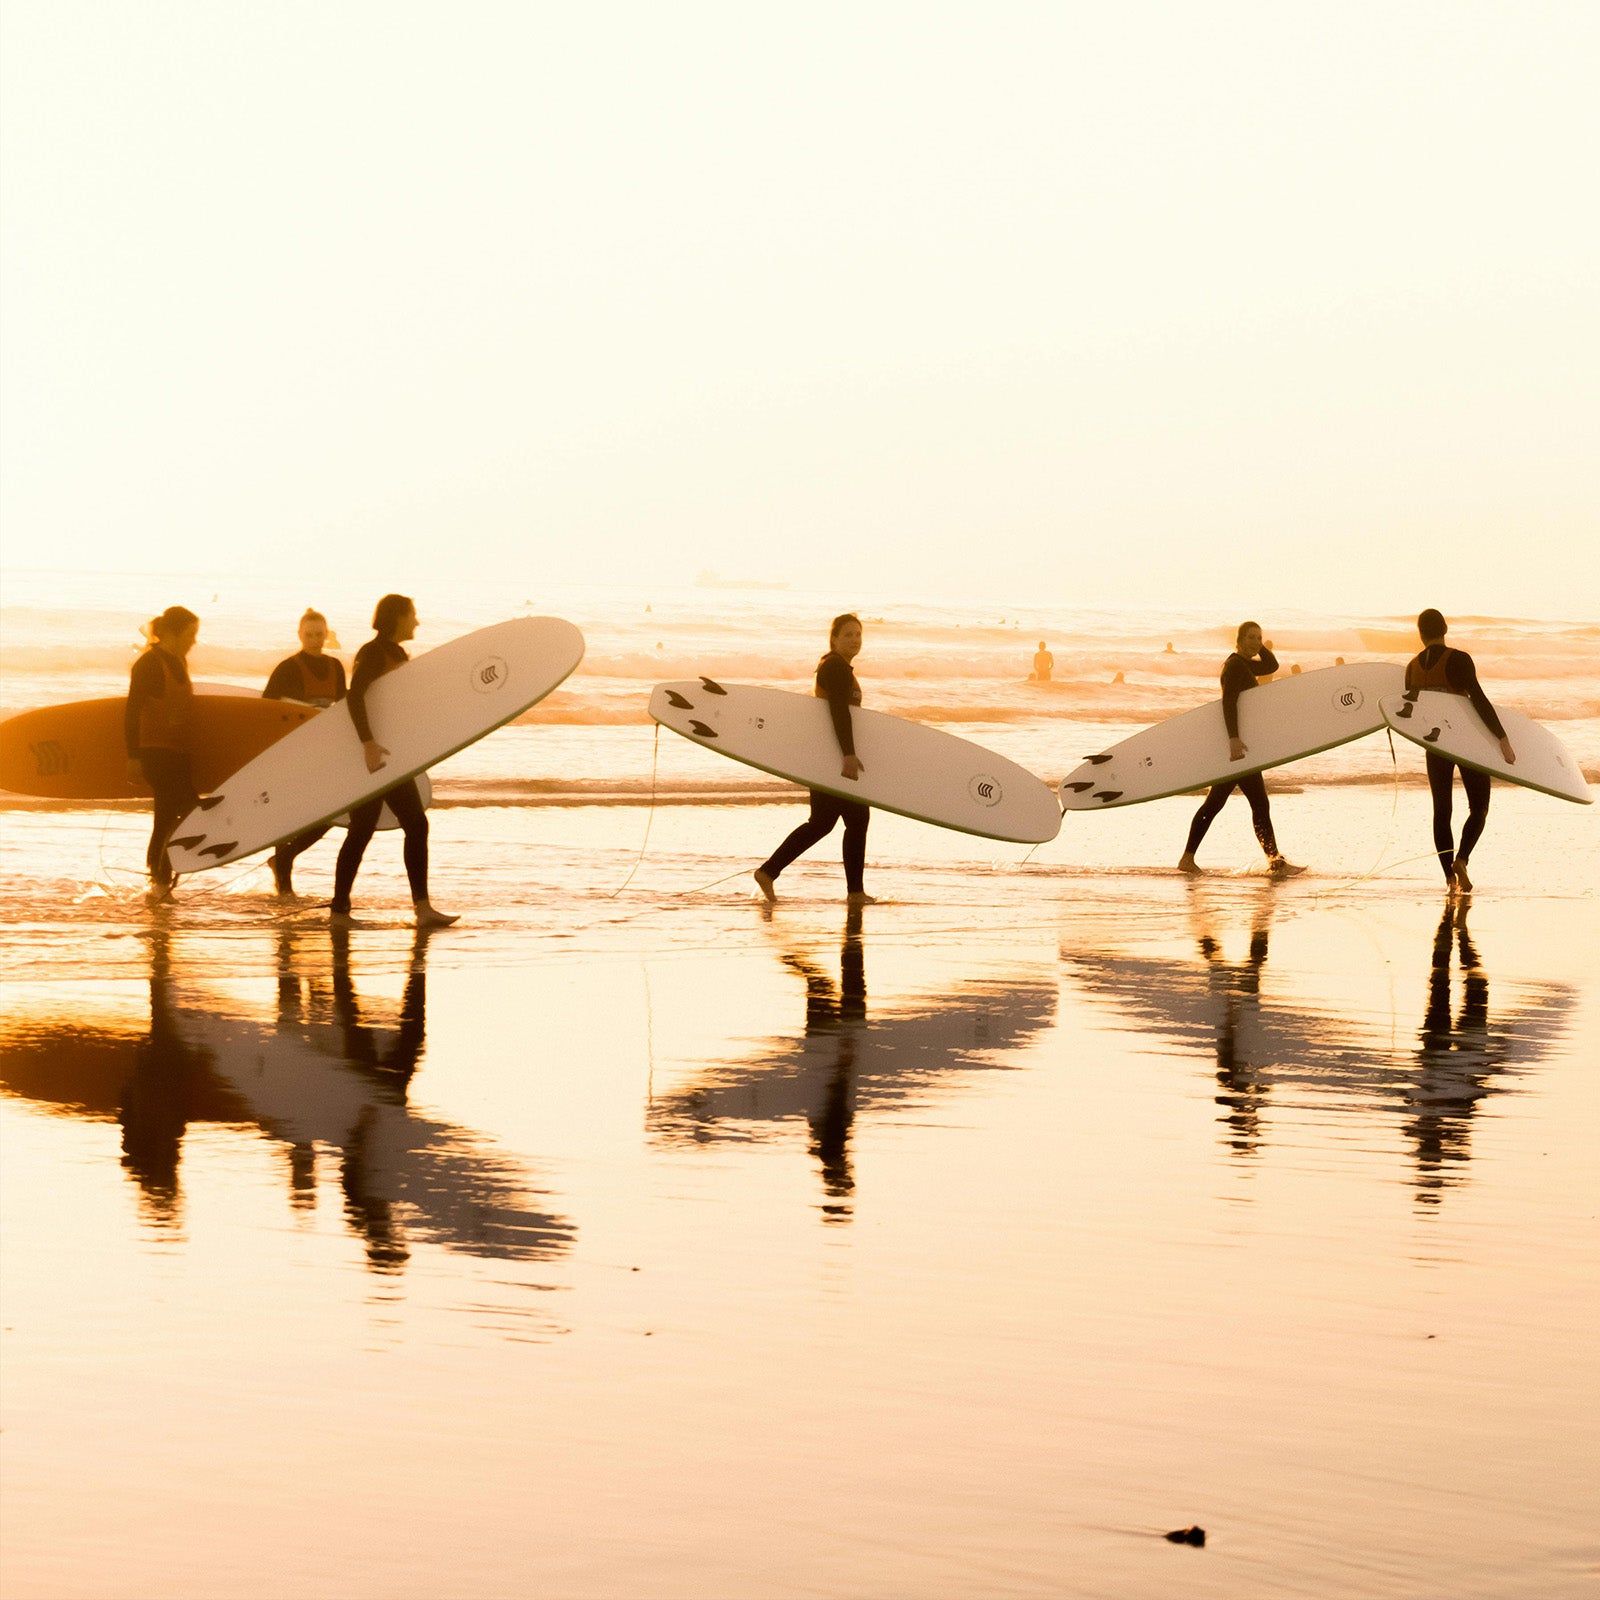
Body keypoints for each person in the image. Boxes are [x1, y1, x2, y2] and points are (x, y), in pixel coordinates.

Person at [330, 594, 458, 928]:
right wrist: (368, 744)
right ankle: (340, 911)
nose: (417, 621)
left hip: (393, 758)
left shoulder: (397, 653)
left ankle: (420, 908)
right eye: (412, 614)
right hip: (375, 757)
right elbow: (354, 696)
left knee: (410, 824)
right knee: (366, 830)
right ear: (397, 617)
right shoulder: (372, 653)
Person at [754, 613, 875, 906]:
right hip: (832, 757)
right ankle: (854, 893)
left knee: (825, 822)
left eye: (858, 634)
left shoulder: (836, 666)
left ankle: (769, 871)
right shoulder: (835, 667)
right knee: (854, 819)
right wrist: (847, 754)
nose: (854, 640)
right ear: (833, 639)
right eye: (847, 635)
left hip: (826, 756)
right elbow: (838, 712)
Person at [1177, 621, 1304, 877]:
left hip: (1240, 749)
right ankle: (1275, 862)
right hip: (1238, 750)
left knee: (1218, 803)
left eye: (1259, 638)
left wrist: (1264, 647)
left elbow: (1271, 666)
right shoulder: (1234, 666)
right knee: (1253, 804)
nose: (1256, 642)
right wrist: (1233, 739)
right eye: (1251, 638)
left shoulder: (1244, 663)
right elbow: (1229, 703)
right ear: (1239, 639)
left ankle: (1188, 858)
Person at [1405, 609, 1514, 895]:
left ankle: (1448, 880)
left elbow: (1411, 714)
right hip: (1467, 742)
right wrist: (1502, 737)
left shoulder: (1411, 668)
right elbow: (1477, 698)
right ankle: (1462, 860)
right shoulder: (1459, 659)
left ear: (1420, 633)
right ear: (1445, 627)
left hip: (1435, 745)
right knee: (1479, 808)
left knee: (1441, 811)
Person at [263, 609, 348, 895]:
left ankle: (285, 858)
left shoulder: (336, 667)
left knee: (334, 811)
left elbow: (344, 707)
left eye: (320, 635)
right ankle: (284, 882)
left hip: (324, 752)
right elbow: (266, 708)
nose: (315, 640)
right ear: (300, 635)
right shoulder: (287, 668)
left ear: (327, 635)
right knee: (285, 816)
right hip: (290, 752)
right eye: (309, 635)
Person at [125, 605, 201, 901]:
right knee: (178, 812)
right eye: (190, 634)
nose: (194, 641)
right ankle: (160, 880)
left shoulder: (179, 660)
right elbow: (131, 712)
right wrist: (132, 757)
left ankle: (158, 880)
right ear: (171, 633)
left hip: (178, 753)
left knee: (168, 815)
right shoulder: (149, 664)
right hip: (154, 752)